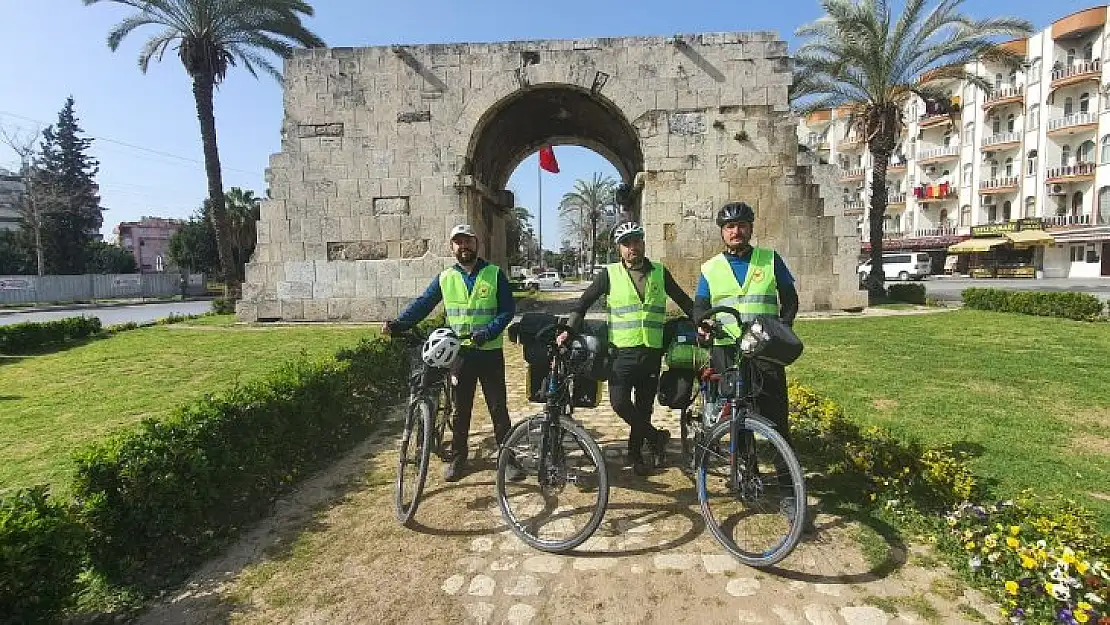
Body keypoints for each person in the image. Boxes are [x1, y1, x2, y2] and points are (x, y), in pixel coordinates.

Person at [383, 224, 516, 482]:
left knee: (498, 407)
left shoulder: (494, 274)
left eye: (467, 241)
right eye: (458, 242)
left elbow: (507, 310)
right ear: (452, 247)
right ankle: (458, 457)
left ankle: (508, 458)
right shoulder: (446, 278)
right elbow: (423, 304)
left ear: (476, 244)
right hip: (460, 355)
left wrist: (488, 331)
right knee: (460, 409)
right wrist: (398, 324)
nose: (463, 246)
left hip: (489, 352)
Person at [559, 222, 694, 475]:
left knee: (644, 407)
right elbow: (583, 302)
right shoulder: (609, 274)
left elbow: (684, 301)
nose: (633, 247)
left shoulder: (659, 273)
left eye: (636, 241)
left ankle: (636, 453)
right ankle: (654, 437)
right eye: (627, 244)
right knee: (620, 403)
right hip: (621, 353)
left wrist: (702, 319)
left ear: (643, 242)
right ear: (619, 249)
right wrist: (570, 329)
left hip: (651, 352)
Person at [693, 201, 799, 446]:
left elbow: (790, 300)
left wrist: (783, 328)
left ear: (750, 229)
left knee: (776, 416)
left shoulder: (770, 259)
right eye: (730, 226)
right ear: (722, 231)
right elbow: (700, 305)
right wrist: (702, 321)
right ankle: (745, 476)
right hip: (726, 349)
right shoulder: (710, 268)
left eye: (741, 225)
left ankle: (786, 482)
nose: (736, 231)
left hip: (765, 348)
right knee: (736, 416)